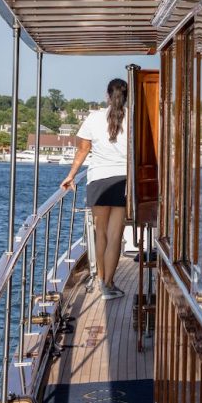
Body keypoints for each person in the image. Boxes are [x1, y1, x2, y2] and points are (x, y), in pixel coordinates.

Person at [61, 78, 128, 301]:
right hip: (122, 180)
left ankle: (101, 280)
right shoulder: (132, 119)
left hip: (98, 180)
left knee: (100, 234)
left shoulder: (93, 117)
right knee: (115, 235)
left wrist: (71, 176)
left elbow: (82, 150)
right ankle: (109, 284)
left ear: (107, 96)